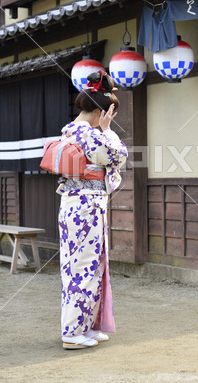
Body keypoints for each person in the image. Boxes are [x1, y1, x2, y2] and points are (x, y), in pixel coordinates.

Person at [57, 71, 127, 349]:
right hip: (84, 205)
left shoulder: (77, 131)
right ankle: (72, 332)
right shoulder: (85, 133)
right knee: (83, 266)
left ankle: (86, 325)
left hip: (84, 203)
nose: (109, 120)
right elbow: (117, 155)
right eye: (109, 114)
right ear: (101, 111)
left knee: (91, 265)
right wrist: (108, 131)